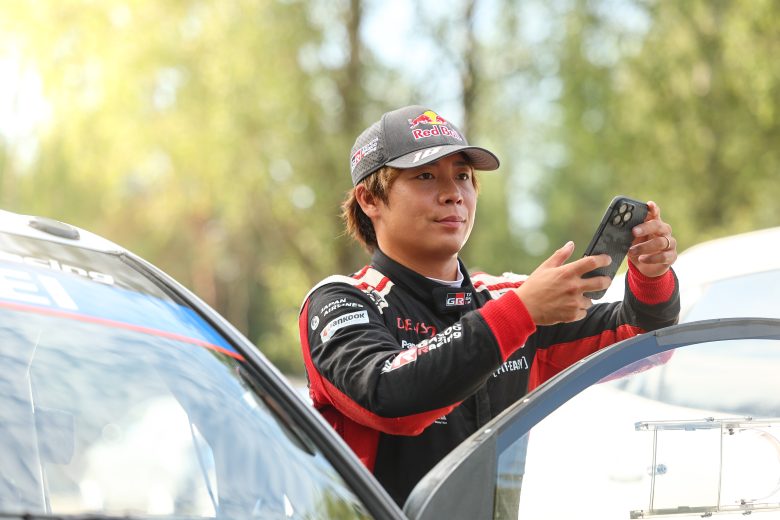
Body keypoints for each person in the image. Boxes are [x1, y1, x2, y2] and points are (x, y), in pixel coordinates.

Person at [298, 105, 680, 505]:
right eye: (425, 176)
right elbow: (388, 398)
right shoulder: (340, 300)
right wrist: (521, 312)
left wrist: (651, 275)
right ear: (369, 199)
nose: (453, 193)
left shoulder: (510, 298)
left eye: (463, 176)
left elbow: (644, 340)